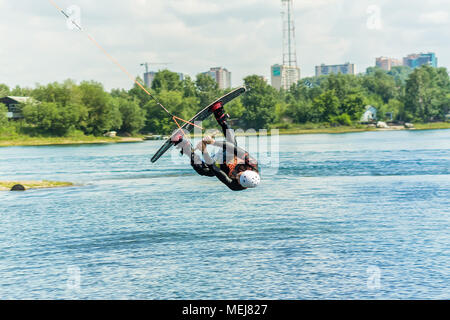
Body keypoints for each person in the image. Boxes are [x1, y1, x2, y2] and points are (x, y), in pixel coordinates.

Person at [172, 101, 260, 191]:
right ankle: (219, 115)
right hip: (229, 154)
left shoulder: (235, 186)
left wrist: (204, 150)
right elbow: (232, 148)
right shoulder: (252, 163)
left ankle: (184, 145)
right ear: (247, 171)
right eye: (240, 175)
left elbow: (214, 169)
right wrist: (212, 142)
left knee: (204, 171)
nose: (237, 176)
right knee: (232, 143)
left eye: (238, 179)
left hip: (220, 166)